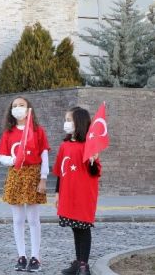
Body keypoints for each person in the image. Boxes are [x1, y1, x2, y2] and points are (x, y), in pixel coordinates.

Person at [0, 96, 50, 272]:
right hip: (16, 174)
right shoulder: (8, 132)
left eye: (22, 105)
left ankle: (35, 256)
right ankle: (21, 255)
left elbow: (44, 155)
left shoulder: (37, 130)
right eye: (15, 106)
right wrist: (13, 159)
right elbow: (1, 155)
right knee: (18, 219)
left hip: (33, 174)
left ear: (28, 109)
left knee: (33, 219)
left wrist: (43, 177)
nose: (18, 108)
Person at [54, 107, 101, 275]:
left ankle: (83, 265)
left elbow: (95, 172)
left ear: (79, 123)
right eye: (66, 119)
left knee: (83, 228)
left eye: (69, 120)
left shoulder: (88, 146)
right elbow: (60, 171)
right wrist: (57, 193)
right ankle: (78, 261)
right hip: (68, 194)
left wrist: (93, 160)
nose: (66, 123)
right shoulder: (64, 145)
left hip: (83, 195)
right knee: (75, 228)